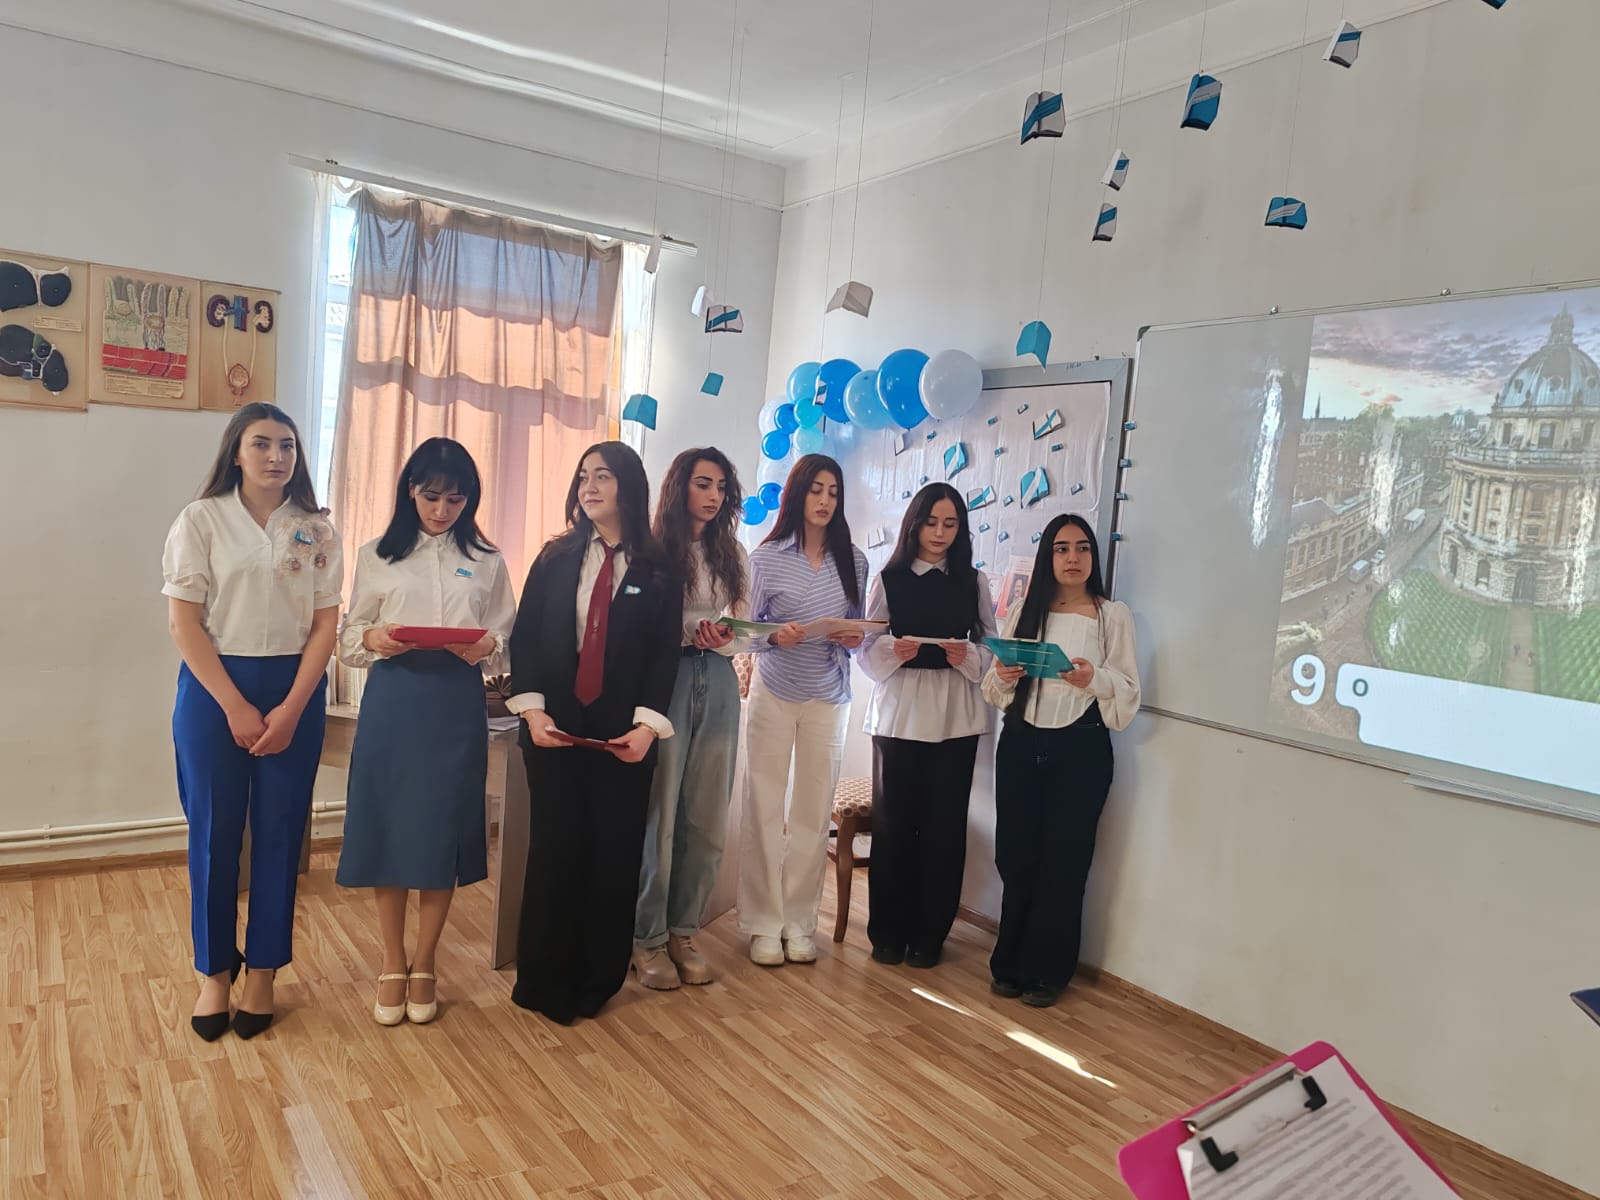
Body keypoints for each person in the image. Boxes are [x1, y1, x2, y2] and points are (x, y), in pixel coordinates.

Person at [162, 402, 343, 1041]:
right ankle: (214, 971)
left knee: (279, 833)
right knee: (214, 832)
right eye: (261, 443)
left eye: (287, 445)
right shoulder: (201, 519)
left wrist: (292, 707)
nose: (276, 456)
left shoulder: (316, 529)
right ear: (236, 452)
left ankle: (264, 968)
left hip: (294, 686)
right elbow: (184, 622)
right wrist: (234, 706)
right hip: (215, 687)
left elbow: (325, 623)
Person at [336, 438, 516, 1025]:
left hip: (455, 701)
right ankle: (392, 960)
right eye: (431, 496)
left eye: (455, 499)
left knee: (442, 829)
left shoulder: (487, 560)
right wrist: (372, 638)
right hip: (394, 698)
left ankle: (427, 961)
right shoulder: (376, 555)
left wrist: (488, 647)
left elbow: (505, 638)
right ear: (409, 490)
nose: (442, 510)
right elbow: (350, 636)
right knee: (390, 826)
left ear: (470, 500)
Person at [506, 442, 682, 1024]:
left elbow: (663, 656)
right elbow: (526, 640)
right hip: (554, 728)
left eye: (602, 476)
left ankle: (597, 980)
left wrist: (647, 729)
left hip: (624, 738)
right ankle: (543, 979)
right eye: (583, 476)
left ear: (629, 486)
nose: (589, 487)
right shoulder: (554, 557)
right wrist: (533, 713)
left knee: (613, 855)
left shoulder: (659, 568)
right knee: (555, 851)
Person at [981, 513, 1139, 1008]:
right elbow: (993, 687)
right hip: (1021, 743)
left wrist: (1093, 678)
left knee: (1065, 862)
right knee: (1016, 857)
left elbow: (1129, 690)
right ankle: (1008, 963)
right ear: (1048, 556)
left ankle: (1048, 972)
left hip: (1082, 749)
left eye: (1083, 548)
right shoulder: (1026, 610)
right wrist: (1005, 673)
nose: (1073, 558)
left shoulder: (1112, 616)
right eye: (1062, 548)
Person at [737, 454, 870, 967]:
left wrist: (854, 637)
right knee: (765, 807)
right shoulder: (766, 557)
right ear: (797, 494)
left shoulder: (854, 560)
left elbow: (858, 630)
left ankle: (798, 924)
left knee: (813, 814)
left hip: (829, 696)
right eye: (816, 489)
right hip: (774, 691)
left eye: (833, 492)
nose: (825, 500)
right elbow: (744, 632)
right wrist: (775, 637)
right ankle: (763, 924)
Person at [859, 483, 996, 968]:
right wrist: (891, 650)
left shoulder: (973, 582)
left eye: (950, 524)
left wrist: (969, 656)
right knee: (893, 826)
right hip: (899, 712)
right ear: (914, 525)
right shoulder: (889, 579)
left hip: (955, 715)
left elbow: (991, 644)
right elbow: (865, 646)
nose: (939, 532)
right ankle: (887, 932)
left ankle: (929, 935)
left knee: (944, 829)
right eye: (931, 522)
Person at [632, 448, 751, 990]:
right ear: (679, 487)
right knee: (660, 816)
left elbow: (744, 627)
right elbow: (638, 626)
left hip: (719, 679)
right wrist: (686, 634)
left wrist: (724, 637)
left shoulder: (733, 552)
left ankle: (684, 931)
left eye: (721, 487)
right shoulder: (651, 549)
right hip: (667, 679)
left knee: (707, 817)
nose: (713, 496)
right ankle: (648, 938)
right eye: (703, 484)